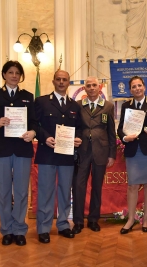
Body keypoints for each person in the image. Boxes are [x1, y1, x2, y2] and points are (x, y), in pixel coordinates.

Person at [0, 60, 38, 246]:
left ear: (21, 76)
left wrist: (33, 132)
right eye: (10, 72)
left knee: (21, 192)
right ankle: (6, 229)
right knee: (4, 192)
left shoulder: (28, 96)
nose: (14, 75)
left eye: (17, 73)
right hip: (1, 149)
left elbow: (35, 122)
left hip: (22, 148)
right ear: (4, 74)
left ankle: (19, 229)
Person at [34, 70, 82, 243]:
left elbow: (80, 128)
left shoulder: (75, 106)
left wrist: (79, 138)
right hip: (47, 153)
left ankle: (63, 225)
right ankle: (44, 228)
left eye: (65, 80)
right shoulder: (42, 101)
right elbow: (34, 123)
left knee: (64, 191)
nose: (62, 82)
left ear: (69, 82)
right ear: (53, 81)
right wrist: (44, 136)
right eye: (59, 79)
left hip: (67, 155)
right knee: (46, 192)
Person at [117, 76, 147, 234]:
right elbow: (120, 128)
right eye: (134, 87)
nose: (137, 88)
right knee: (133, 185)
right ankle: (131, 219)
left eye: (139, 85)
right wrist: (124, 137)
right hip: (133, 149)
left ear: (144, 87)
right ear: (130, 90)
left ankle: (145, 219)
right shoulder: (125, 106)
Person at [72, 76, 116, 234]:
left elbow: (112, 132)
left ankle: (93, 219)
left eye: (94, 85)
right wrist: (74, 138)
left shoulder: (108, 106)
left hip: (101, 152)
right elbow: (75, 127)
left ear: (100, 87)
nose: (91, 88)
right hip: (82, 152)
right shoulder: (77, 105)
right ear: (84, 89)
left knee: (97, 187)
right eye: (88, 85)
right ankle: (78, 221)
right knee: (78, 186)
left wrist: (112, 154)